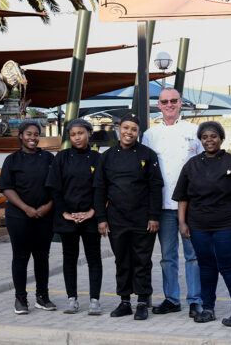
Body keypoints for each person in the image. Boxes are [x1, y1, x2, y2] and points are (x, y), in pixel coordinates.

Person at [173, 121, 231, 327]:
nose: (209, 140)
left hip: (228, 225)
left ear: (221, 139)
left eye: (213, 136)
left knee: (230, 267)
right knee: (206, 268)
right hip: (199, 226)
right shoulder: (191, 165)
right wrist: (182, 223)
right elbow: (182, 197)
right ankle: (208, 309)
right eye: (205, 137)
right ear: (200, 140)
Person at [94, 113, 163, 320]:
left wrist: (154, 216)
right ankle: (124, 301)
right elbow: (99, 189)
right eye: (125, 128)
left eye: (133, 129)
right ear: (118, 129)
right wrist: (101, 218)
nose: (129, 132)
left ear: (138, 132)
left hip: (143, 219)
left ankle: (142, 301)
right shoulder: (107, 156)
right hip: (116, 218)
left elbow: (155, 187)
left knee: (142, 260)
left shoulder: (148, 155)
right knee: (122, 260)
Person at [141, 88, 203, 317]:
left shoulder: (194, 131)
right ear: (159, 104)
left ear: (180, 103)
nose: (169, 105)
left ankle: (196, 300)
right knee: (168, 257)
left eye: (173, 101)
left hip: (190, 205)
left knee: (193, 256)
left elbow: (202, 164)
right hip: (163, 206)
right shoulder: (150, 135)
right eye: (165, 101)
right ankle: (172, 299)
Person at [0, 120, 56, 315]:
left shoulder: (49, 158)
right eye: (29, 134)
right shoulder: (12, 160)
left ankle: (42, 297)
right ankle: (21, 299)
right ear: (21, 136)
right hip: (18, 216)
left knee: (42, 257)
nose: (33, 137)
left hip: (45, 216)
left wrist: (47, 207)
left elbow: (57, 186)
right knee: (21, 257)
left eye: (36, 134)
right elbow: (6, 188)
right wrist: (26, 208)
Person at [45, 118, 103, 315]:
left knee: (94, 258)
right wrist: (65, 213)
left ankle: (95, 300)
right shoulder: (61, 157)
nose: (77, 137)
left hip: (91, 217)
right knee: (69, 258)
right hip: (67, 218)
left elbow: (101, 188)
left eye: (80, 133)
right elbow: (55, 188)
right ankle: (72, 299)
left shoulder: (97, 158)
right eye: (73, 135)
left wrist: (92, 212)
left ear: (89, 133)